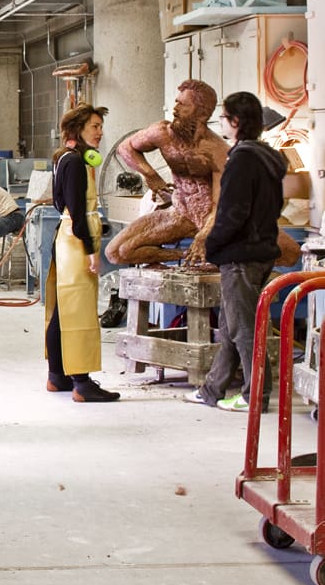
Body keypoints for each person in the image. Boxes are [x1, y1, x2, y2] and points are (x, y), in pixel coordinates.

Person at [186, 91, 286, 413]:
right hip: (258, 251)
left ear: (236, 122)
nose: (220, 123)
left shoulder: (242, 159)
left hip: (241, 255)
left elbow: (233, 211)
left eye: (224, 117)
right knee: (231, 327)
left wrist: (213, 245)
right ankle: (211, 390)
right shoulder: (266, 157)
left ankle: (255, 395)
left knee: (244, 329)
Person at [105, 80, 228, 267]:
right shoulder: (163, 133)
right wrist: (151, 175)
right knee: (115, 253)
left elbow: (219, 205)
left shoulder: (217, 150)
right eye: (176, 102)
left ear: (201, 114)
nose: (175, 108)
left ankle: (201, 258)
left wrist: (204, 235)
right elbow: (125, 148)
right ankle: (182, 255)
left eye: (183, 104)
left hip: (207, 220)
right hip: (179, 213)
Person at [45, 103, 120, 403]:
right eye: (94, 127)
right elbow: (76, 212)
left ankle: (58, 375)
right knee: (80, 311)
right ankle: (82, 382)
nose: (100, 132)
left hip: (66, 236)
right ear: (78, 129)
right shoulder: (76, 163)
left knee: (63, 310)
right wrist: (91, 250)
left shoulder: (63, 158)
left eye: (100, 126)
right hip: (77, 239)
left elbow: (58, 204)